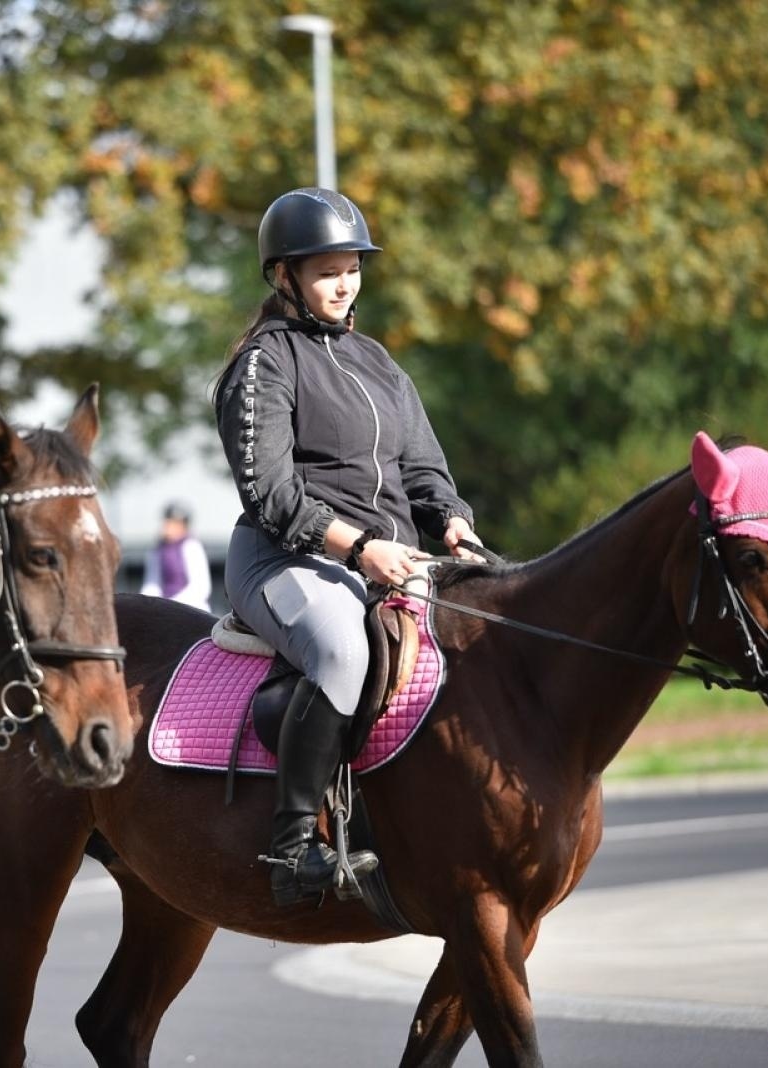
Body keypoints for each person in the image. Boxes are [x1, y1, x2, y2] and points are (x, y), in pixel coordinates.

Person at [214, 187, 486, 907]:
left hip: (388, 555)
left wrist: (452, 521)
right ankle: (292, 843)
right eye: (327, 270)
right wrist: (360, 547)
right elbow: (269, 493)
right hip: (284, 559)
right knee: (343, 650)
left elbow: (422, 468)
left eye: (352, 268)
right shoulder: (263, 364)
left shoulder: (376, 361)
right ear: (285, 276)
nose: (344, 283)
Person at [139, 501, 213, 612]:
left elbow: (201, 587)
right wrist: (145, 603)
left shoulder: (192, 546)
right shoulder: (157, 551)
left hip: (192, 608)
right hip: (164, 608)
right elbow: (152, 583)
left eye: (175, 523)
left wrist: (171, 604)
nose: (168, 527)